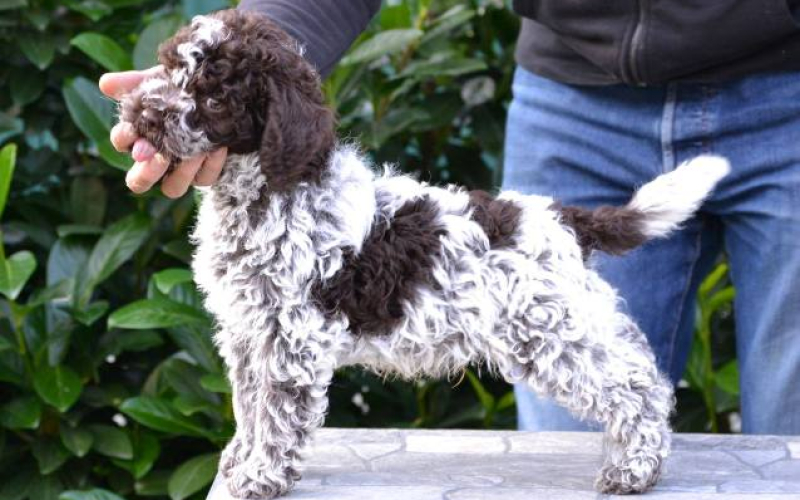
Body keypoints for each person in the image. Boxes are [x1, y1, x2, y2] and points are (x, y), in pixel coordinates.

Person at [100, 1, 800, 435]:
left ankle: (641, 418)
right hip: (573, 92)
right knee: (564, 454)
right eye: (175, 76)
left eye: (206, 99)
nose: (167, 103)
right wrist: (260, 47)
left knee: (785, 436)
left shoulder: (305, 196)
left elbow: (295, 351)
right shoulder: (265, 201)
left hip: (786, 81)